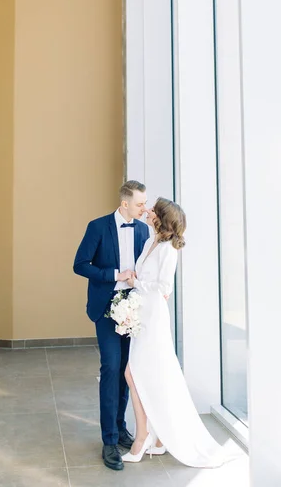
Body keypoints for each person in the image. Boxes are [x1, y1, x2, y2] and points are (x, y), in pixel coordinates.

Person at [122, 197, 238, 468]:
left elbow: (163, 286)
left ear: (160, 217)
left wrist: (134, 281)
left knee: (133, 373)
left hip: (154, 320)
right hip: (144, 315)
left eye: (152, 209)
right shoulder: (152, 243)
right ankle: (158, 438)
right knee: (146, 375)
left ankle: (143, 436)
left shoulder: (168, 250)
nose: (147, 210)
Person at [73, 180, 150, 471]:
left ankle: (121, 430)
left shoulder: (143, 230)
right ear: (125, 204)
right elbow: (80, 265)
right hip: (106, 308)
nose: (145, 208)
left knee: (128, 373)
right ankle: (108, 440)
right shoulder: (97, 226)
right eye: (140, 203)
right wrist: (116, 274)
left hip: (136, 310)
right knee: (111, 367)